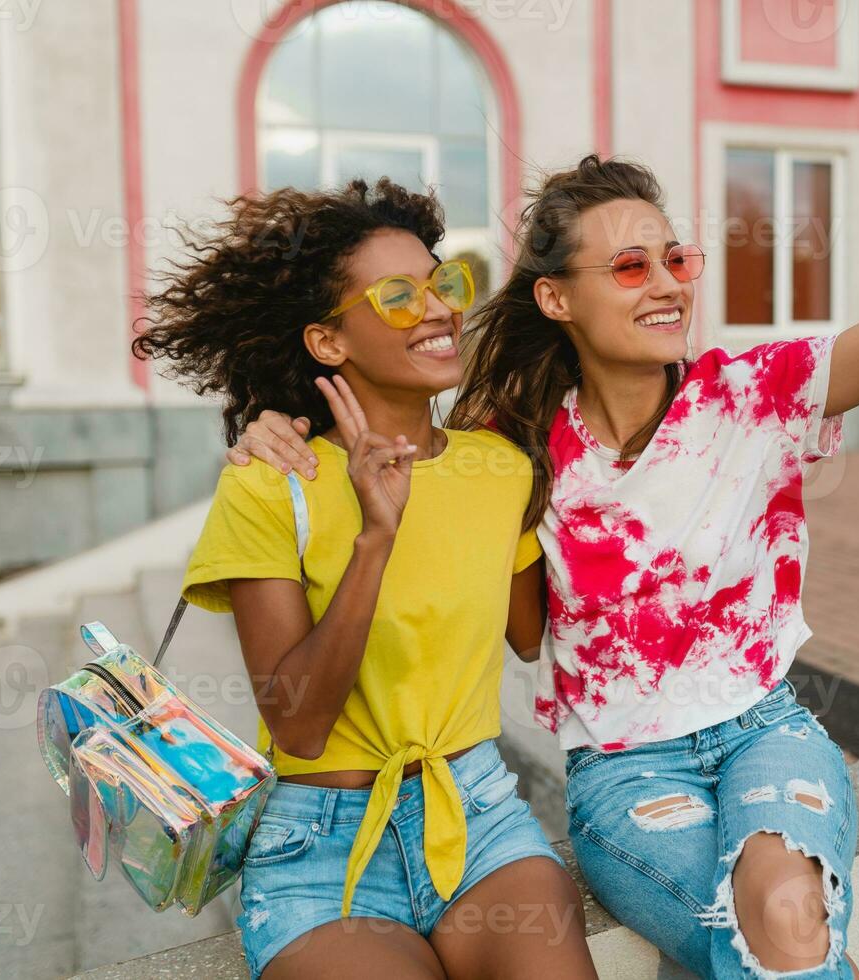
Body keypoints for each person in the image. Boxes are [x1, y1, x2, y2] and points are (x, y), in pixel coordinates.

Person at [229, 76, 859, 978]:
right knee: (779, 934)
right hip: (623, 772)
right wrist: (275, 428)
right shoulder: (514, 446)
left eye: (677, 259)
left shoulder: (756, 397)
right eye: (631, 266)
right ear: (556, 298)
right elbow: (414, 464)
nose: (667, 284)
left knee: (785, 911)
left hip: (766, 730)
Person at [135, 178, 598, 980]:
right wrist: (375, 540)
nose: (438, 308)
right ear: (327, 342)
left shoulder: (502, 470)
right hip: (320, 845)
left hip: (479, 816)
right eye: (395, 296)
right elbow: (301, 726)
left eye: (442, 283)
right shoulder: (269, 484)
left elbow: (529, 636)